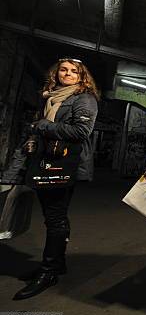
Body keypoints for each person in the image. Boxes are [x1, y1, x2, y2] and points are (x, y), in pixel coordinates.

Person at [12, 57, 99, 300]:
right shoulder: (52, 96)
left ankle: (49, 271)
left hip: (63, 164)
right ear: (56, 72)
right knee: (54, 216)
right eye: (63, 69)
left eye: (74, 71)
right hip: (44, 161)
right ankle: (56, 264)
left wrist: (41, 126)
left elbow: (82, 132)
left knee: (55, 216)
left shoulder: (84, 98)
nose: (68, 74)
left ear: (82, 76)